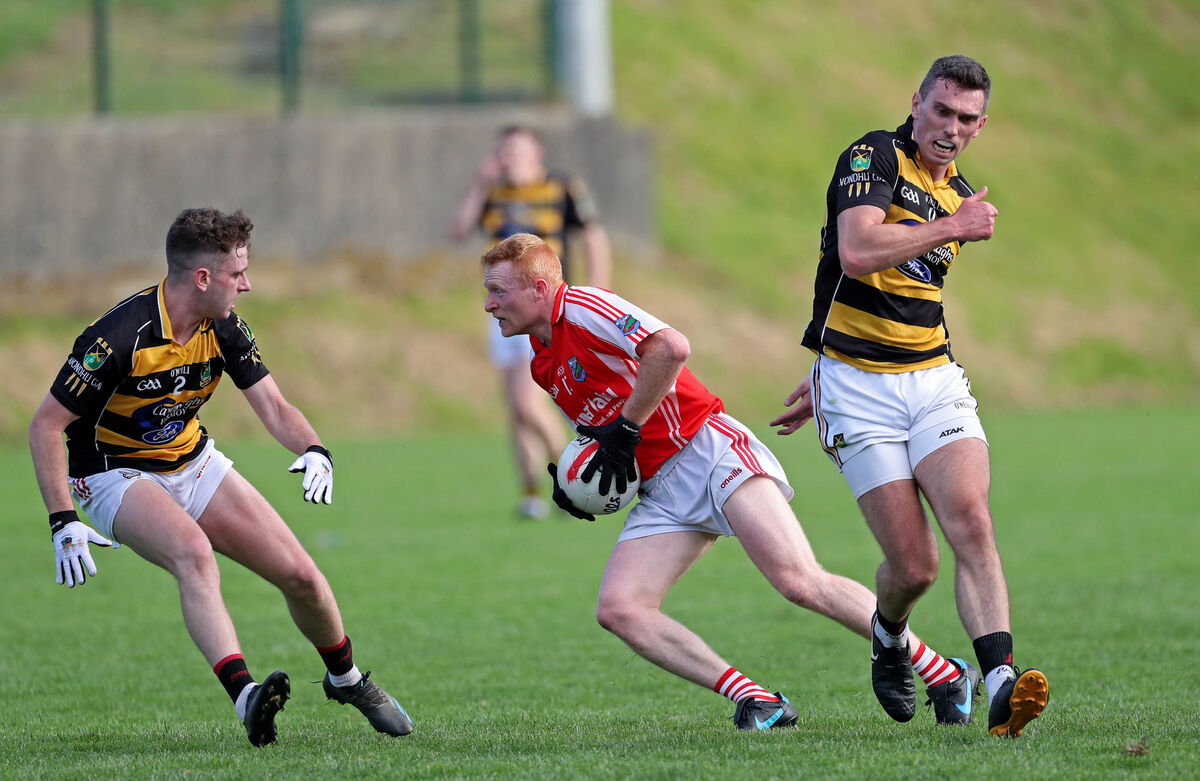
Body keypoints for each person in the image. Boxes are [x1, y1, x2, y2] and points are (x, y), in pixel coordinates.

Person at [481, 232, 980, 730]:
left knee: (799, 581)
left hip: (711, 451)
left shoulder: (584, 308)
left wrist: (627, 426)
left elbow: (671, 349)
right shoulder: (540, 362)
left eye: (499, 291)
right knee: (620, 608)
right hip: (661, 492)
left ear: (541, 289)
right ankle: (758, 701)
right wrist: (579, 482)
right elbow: (604, 434)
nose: (488, 305)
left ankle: (944, 673)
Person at [29, 208, 413, 747]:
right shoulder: (119, 336)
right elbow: (46, 425)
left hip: (192, 460)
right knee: (193, 552)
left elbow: (276, 409)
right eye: (238, 274)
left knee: (302, 576)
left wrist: (315, 448)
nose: (248, 284)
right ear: (202, 278)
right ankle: (247, 697)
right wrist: (61, 520)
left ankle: (346, 680)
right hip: (113, 473)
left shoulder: (224, 326)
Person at [772, 55, 1050, 738]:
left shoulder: (958, 189)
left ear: (981, 126)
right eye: (941, 110)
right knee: (914, 566)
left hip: (931, 380)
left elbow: (905, 292)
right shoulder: (874, 156)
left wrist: (954, 218)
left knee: (972, 519)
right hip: (857, 394)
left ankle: (1000, 683)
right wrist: (829, 375)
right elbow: (860, 251)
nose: (949, 128)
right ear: (917, 101)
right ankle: (890, 633)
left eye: (965, 118)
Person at [451, 124, 613, 520]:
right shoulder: (494, 192)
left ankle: (575, 477)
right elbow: (457, 232)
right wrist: (479, 184)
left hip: (545, 309)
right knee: (516, 408)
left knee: (528, 404)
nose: (510, 156)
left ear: (537, 152)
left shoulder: (561, 186)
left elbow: (593, 235)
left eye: (518, 149)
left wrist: (600, 288)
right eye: (504, 149)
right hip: (503, 310)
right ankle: (532, 492)